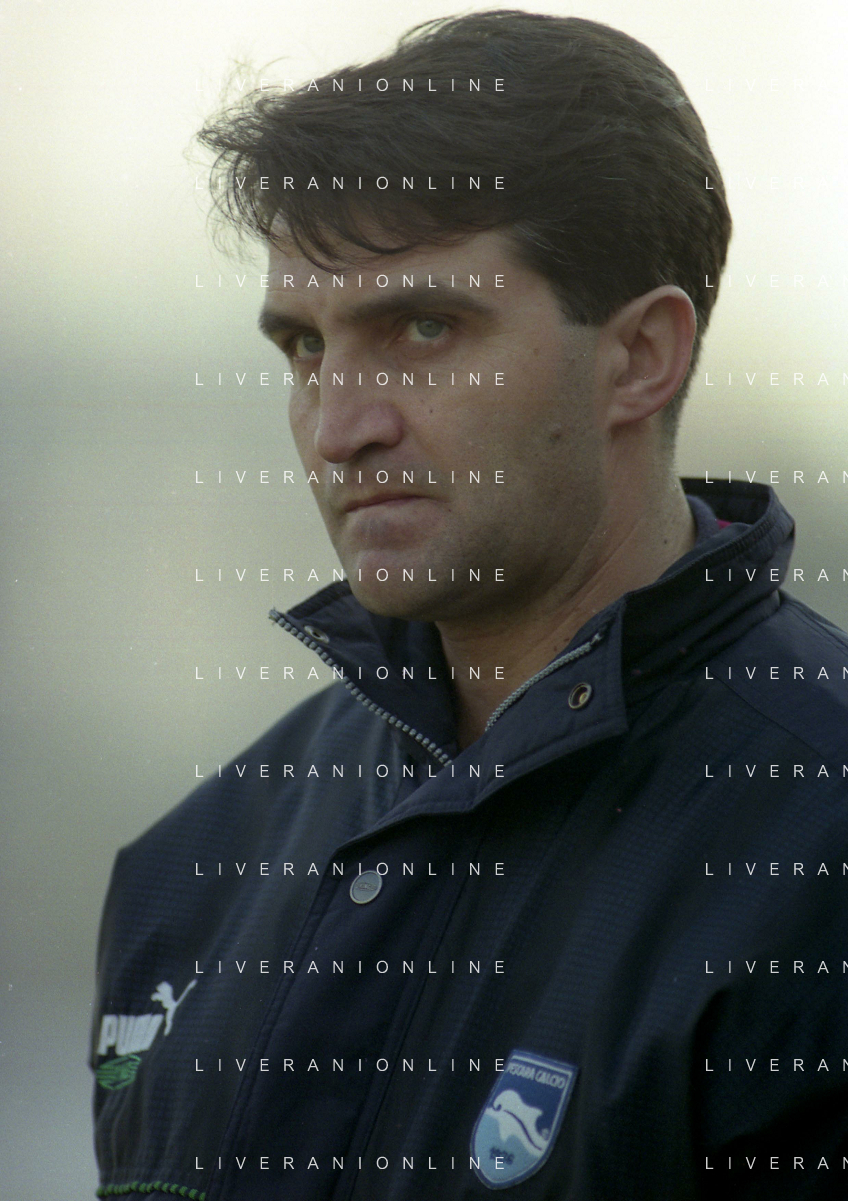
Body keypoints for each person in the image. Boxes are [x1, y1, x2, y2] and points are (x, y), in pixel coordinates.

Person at [90, 11, 848, 1199]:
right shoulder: (190, 868)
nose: (340, 427)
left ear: (639, 357)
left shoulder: (815, 845)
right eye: (304, 347)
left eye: (424, 327)